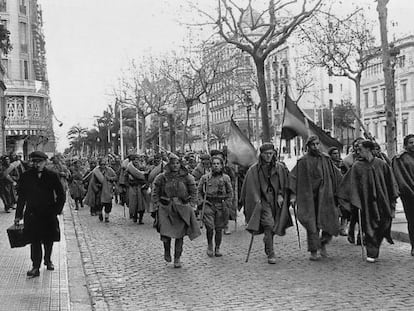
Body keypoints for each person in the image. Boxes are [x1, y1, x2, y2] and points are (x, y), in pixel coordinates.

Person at [338, 140, 399, 263]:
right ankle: (371, 252)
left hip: (382, 202)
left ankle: (375, 245)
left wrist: (392, 197)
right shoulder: (357, 166)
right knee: (368, 227)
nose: (358, 151)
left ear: (369, 150)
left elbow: (391, 182)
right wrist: (355, 198)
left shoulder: (381, 164)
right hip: (365, 203)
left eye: (361, 149)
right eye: (357, 149)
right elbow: (350, 184)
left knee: (383, 224)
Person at [289, 136, 341, 261]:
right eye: (313, 145)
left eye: (318, 144)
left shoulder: (326, 159)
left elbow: (336, 175)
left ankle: (323, 242)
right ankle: (313, 250)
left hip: (326, 196)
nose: (316, 147)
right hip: (309, 198)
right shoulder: (302, 161)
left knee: (330, 222)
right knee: (312, 225)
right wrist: (293, 195)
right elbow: (293, 178)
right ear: (308, 146)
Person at [14, 151, 66, 277]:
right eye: (34, 162)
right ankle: (35, 266)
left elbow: (61, 194)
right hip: (32, 214)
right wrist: (18, 215)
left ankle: (48, 260)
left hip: (48, 213)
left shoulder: (52, 176)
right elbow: (21, 197)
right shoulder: (26, 176)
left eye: (39, 162)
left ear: (45, 162)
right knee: (34, 240)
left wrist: (56, 210)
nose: (37, 164)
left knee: (48, 239)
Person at [240, 143, 292, 264]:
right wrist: (256, 199)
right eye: (266, 154)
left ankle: (267, 240)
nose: (269, 156)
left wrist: (280, 194)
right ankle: (271, 252)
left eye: (271, 153)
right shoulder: (254, 170)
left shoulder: (280, 168)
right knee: (269, 224)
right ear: (261, 155)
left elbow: (285, 182)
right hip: (262, 201)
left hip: (276, 200)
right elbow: (249, 187)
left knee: (274, 226)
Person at [152, 153, 201, 268]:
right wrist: (157, 204)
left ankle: (177, 257)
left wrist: (193, 204)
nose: (175, 165)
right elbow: (155, 191)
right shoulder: (162, 177)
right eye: (173, 163)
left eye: (177, 163)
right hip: (166, 208)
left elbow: (194, 191)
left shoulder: (187, 177)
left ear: (181, 164)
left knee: (180, 235)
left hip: (182, 208)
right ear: (169, 164)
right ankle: (167, 250)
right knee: (165, 233)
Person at [198, 156, 233, 257]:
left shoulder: (226, 178)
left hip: (221, 205)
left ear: (221, 166)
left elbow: (230, 192)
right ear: (211, 165)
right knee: (209, 227)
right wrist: (201, 201)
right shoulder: (205, 178)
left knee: (219, 228)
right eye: (214, 164)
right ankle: (209, 245)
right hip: (208, 204)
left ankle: (217, 247)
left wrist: (227, 203)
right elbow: (199, 191)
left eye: (218, 164)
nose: (216, 166)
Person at [392, 134, 414, 256]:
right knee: (412, 221)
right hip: (409, 195)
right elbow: (400, 178)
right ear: (406, 145)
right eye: (411, 142)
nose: (413, 144)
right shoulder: (400, 159)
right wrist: (409, 191)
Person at [84, 157, 117, 222]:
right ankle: (100, 214)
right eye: (101, 164)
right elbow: (92, 182)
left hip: (107, 190)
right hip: (100, 190)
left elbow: (115, 177)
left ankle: (107, 217)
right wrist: (96, 189)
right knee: (99, 204)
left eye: (104, 164)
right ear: (99, 165)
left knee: (108, 204)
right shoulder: (96, 171)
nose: (103, 166)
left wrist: (109, 179)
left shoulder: (109, 170)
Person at [127, 155, 149, 224]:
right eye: (134, 160)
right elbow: (128, 179)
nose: (136, 161)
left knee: (141, 204)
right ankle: (135, 216)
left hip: (141, 188)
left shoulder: (142, 168)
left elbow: (146, 177)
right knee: (134, 204)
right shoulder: (129, 169)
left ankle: (141, 219)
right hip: (133, 188)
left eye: (137, 159)